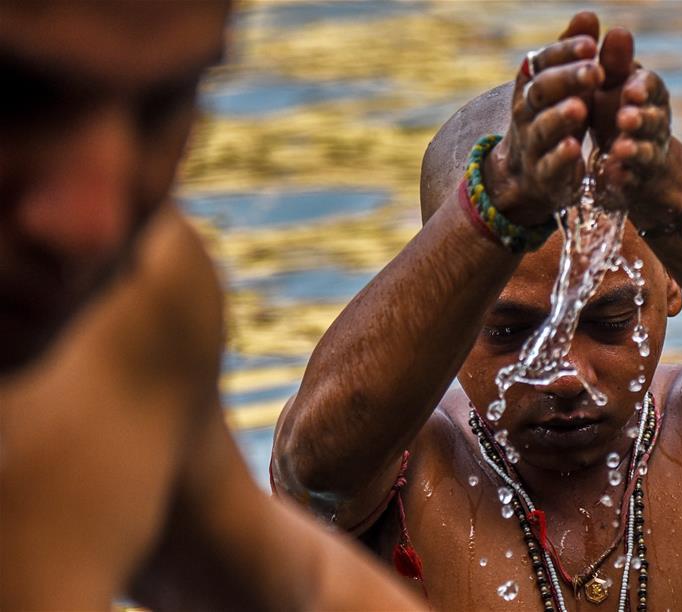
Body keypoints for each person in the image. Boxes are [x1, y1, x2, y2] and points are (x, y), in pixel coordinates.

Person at [271, 11, 682, 611]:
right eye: (510, 332)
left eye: (610, 322)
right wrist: (496, 211)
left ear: (672, 282)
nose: (565, 374)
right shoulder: (406, 466)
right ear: (451, 317)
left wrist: (673, 190)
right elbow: (311, 482)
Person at [0, 1, 423, 609]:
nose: (94, 224)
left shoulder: (132, 311)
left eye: (164, 107)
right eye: (17, 97)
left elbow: (304, 587)